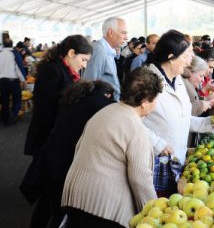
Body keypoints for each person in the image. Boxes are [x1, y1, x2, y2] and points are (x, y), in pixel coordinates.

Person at [61, 68, 161, 228]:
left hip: (75, 195)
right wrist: (153, 212)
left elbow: (79, 147)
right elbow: (140, 178)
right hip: (103, 206)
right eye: (156, 98)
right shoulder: (136, 128)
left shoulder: (104, 112)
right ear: (145, 101)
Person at [143, 30, 214, 197]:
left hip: (175, 161)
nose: (190, 60)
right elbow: (131, 122)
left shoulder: (178, 81)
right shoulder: (147, 81)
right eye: (187, 55)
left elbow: (182, 119)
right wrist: (158, 144)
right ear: (171, 56)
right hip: (154, 162)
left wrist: (209, 122)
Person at [22, 80, 115, 228]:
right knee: (60, 209)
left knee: (47, 204)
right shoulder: (101, 103)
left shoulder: (74, 98)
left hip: (51, 156)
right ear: (107, 94)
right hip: (66, 163)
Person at [24, 35, 92, 157]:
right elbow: (44, 110)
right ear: (71, 53)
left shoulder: (64, 70)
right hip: (48, 136)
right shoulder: (53, 71)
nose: (84, 65)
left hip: (55, 134)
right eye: (83, 60)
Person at [83, 17, 128, 101]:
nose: (126, 37)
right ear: (110, 32)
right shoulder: (99, 50)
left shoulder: (108, 50)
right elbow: (89, 84)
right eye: (123, 33)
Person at [0, 39, 26, 125]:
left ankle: (5, 118)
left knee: (4, 100)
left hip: (2, 81)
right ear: (12, 45)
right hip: (13, 81)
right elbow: (19, 68)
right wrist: (23, 80)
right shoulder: (14, 54)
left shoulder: (0, 53)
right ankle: (13, 116)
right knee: (17, 99)